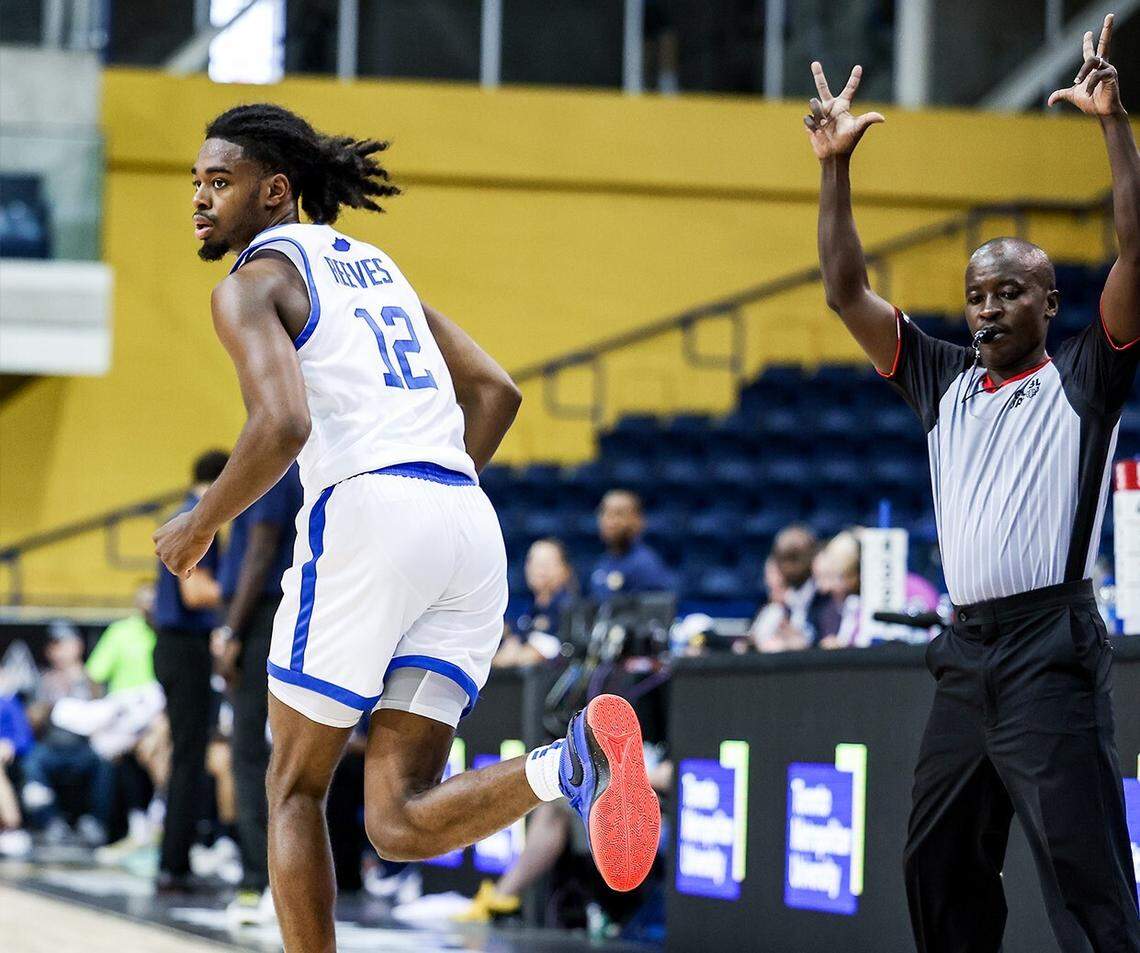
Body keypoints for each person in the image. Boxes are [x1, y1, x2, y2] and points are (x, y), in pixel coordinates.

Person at [152, 103, 660, 951]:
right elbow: (497, 391)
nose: (200, 199)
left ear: (275, 192)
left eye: (220, 182)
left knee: (292, 788)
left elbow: (282, 426)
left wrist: (198, 524)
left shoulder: (250, 283)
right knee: (396, 816)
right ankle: (569, 763)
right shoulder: (378, 268)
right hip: (466, 523)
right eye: (196, 183)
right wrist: (430, 494)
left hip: (369, 514)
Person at [806, 14, 1140, 951]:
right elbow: (844, 290)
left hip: (1050, 647)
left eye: (1010, 292)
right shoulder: (939, 376)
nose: (989, 306)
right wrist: (834, 168)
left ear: (1049, 302)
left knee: (1085, 875)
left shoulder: (1084, 374)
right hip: (967, 652)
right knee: (937, 859)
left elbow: (1138, 254)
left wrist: (1113, 126)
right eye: (977, 295)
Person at [213, 462, 303, 925]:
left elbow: (261, 549)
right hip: (270, 615)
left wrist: (231, 630)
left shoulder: (275, 466)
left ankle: (259, 880)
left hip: (263, 616)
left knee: (250, 753)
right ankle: (273, 878)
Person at [152, 448, 228, 892]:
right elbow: (195, 593)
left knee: (187, 755)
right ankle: (173, 864)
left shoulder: (187, 514)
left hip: (176, 648)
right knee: (187, 757)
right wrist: (246, 590)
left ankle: (175, 858)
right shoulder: (199, 520)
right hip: (185, 648)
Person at [494, 537, 576, 668]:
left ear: (565, 569)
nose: (539, 569)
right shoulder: (523, 611)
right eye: (533, 562)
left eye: (547, 563)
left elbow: (562, 650)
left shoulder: (572, 611)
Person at [588, 490, 676, 601]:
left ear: (638, 521)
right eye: (604, 512)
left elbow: (656, 614)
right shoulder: (603, 562)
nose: (609, 521)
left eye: (619, 514)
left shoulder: (645, 565)